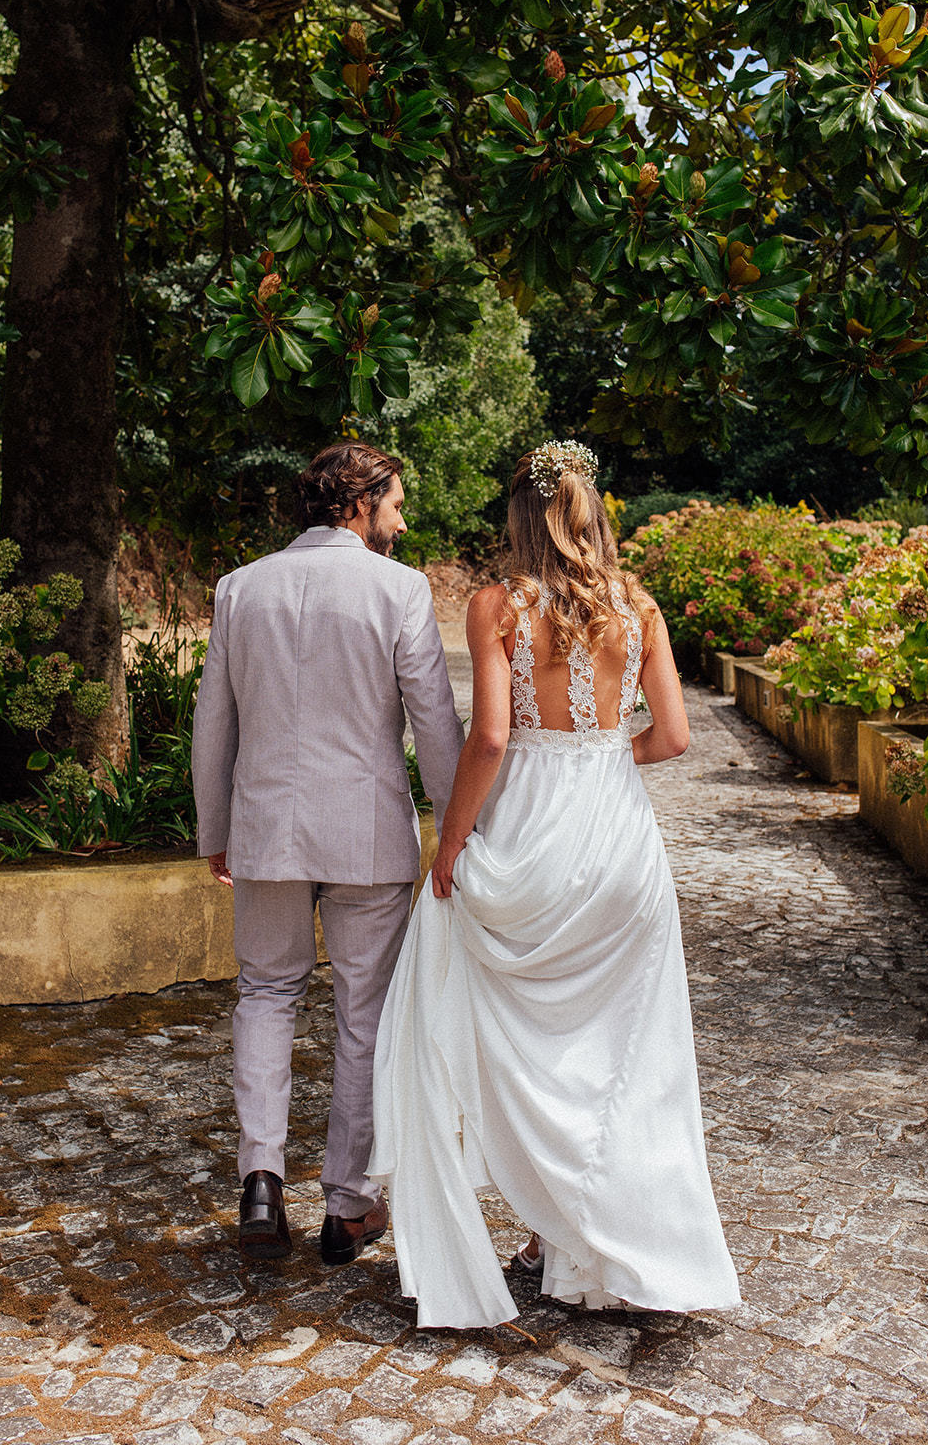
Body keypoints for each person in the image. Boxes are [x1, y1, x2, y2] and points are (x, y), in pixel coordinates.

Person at [370, 440, 740, 1328]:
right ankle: (588, 1243)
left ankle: (547, 1230)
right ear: (591, 511)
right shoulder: (639, 605)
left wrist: (450, 843)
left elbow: (490, 738)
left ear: (520, 516)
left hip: (528, 834)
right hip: (618, 841)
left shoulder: (496, 605)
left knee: (512, 1042)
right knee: (624, 1055)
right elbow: (676, 737)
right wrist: (607, 757)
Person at [192, 441, 464, 1266]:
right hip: (367, 837)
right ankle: (347, 1204)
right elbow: (434, 725)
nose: (402, 520)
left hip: (266, 829)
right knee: (363, 1016)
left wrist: (215, 829)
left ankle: (262, 1178)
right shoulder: (401, 589)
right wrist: (456, 829)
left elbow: (214, 723)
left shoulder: (242, 588)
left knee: (266, 995)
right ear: (358, 502)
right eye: (395, 504)